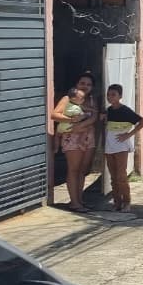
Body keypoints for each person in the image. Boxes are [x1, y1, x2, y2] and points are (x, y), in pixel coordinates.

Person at [50, 72, 99, 213]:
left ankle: (80, 200)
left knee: (83, 170)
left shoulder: (91, 100)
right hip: (72, 137)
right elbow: (55, 114)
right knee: (74, 169)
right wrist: (72, 121)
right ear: (76, 84)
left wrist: (81, 125)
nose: (85, 86)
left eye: (89, 84)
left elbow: (94, 116)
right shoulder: (68, 98)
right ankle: (74, 203)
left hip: (88, 137)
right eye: (82, 83)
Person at [104, 84, 143, 212]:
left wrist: (128, 135)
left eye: (113, 95)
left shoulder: (125, 111)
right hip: (109, 146)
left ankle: (127, 202)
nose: (110, 97)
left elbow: (142, 122)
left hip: (121, 147)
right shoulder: (108, 111)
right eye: (108, 95)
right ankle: (117, 203)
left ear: (120, 96)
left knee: (121, 176)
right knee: (113, 177)